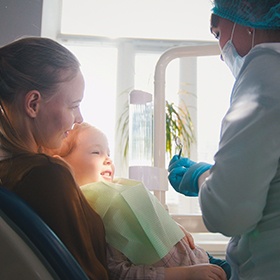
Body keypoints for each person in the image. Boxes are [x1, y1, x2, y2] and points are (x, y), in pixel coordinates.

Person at [168, 1, 280, 279]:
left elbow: (229, 214)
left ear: (246, 15)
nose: (221, 53)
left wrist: (204, 178)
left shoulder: (266, 70)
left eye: (218, 34)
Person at [54, 122, 230, 280]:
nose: (108, 159)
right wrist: (187, 274)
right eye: (96, 152)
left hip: (201, 258)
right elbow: (121, 273)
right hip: (196, 271)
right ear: (63, 165)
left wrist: (172, 227)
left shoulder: (117, 191)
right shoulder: (94, 213)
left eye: (108, 153)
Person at [0, 37, 109, 280]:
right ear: (33, 104)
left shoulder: (10, 172)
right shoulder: (46, 174)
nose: (79, 118)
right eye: (73, 105)